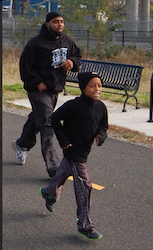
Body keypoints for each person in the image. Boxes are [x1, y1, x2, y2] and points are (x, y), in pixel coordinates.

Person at [39, 71, 108, 240]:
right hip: (73, 151)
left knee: (63, 172)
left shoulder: (101, 107)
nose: (96, 89)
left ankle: (49, 192)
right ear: (83, 88)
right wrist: (64, 141)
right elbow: (54, 119)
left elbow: (103, 126)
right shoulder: (73, 106)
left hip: (83, 150)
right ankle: (85, 225)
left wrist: (100, 136)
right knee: (85, 186)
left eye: (99, 85)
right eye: (92, 86)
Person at [12, 12, 81, 178]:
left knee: (38, 118)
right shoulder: (36, 44)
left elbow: (76, 56)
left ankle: (22, 144)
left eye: (62, 22)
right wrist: (36, 82)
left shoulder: (66, 41)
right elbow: (25, 67)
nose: (60, 25)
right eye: (56, 22)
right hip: (39, 91)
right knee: (48, 124)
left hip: (55, 88)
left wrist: (72, 62)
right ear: (47, 23)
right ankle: (54, 168)